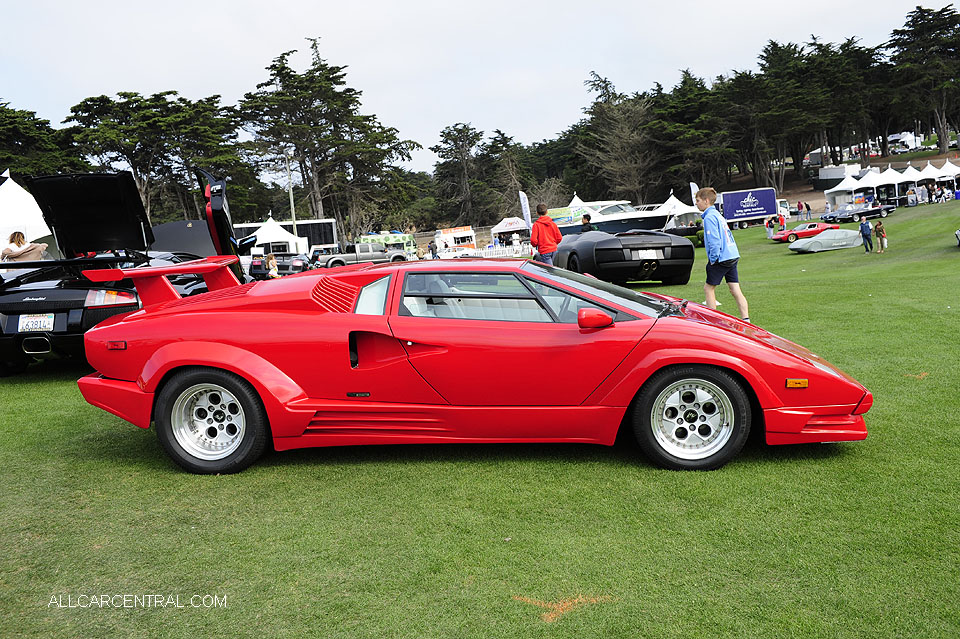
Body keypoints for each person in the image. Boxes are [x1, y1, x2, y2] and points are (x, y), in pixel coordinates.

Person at [696, 187, 749, 322]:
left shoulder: (709, 217)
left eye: (698, 200)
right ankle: (746, 319)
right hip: (732, 255)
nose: (696, 203)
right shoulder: (718, 215)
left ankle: (712, 321)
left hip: (721, 258)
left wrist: (713, 260)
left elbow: (714, 241)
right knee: (735, 289)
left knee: (708, 288)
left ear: (706, 201)